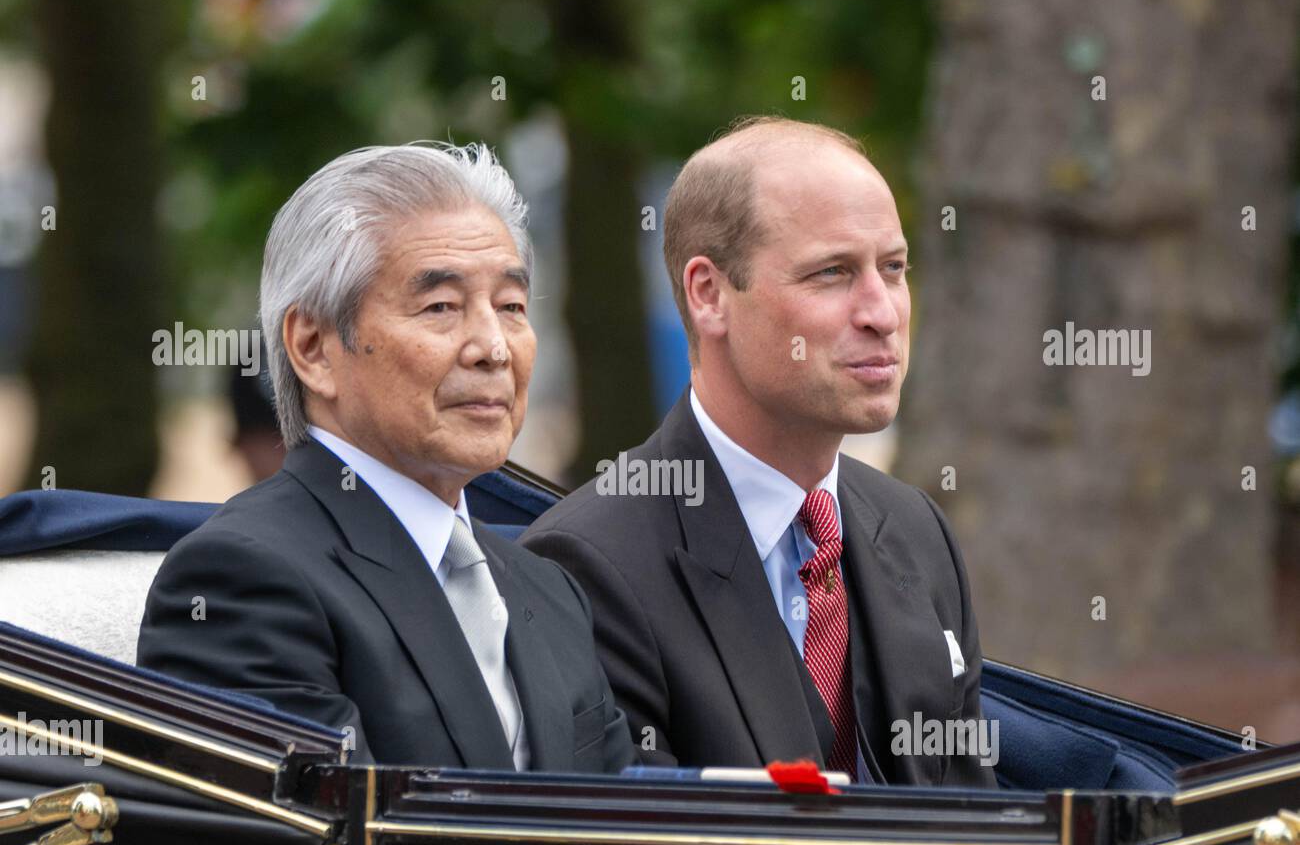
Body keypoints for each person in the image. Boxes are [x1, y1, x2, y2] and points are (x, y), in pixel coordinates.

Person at [524, 117, 997, 787]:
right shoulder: (586, 566)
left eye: (893, 268)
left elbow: (983, 841)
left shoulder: (917, 533)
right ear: (708, 293)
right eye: (832, 273)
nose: (882, 312)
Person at [139, 143, 636, 773]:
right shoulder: (243, 581)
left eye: (511, 306)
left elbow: (624, 830)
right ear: (313, 348)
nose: (492, 348)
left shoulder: (550, 587)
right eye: (441, 308)